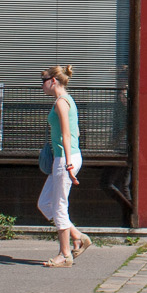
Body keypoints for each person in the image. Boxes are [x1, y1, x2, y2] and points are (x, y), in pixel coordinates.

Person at [38, 64, 91, 266]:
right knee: (45, 203)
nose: (41, 86)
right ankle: (78, 235)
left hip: (65, 159)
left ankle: (65, 254)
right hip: (63, 158)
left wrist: (68, 161)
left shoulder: (62, 102)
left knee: (60, 205)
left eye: (43, 81)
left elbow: (68, 134)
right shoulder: (65, 101)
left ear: (53, 81)